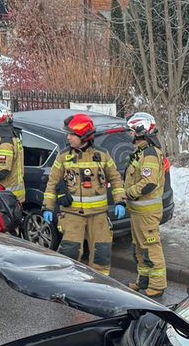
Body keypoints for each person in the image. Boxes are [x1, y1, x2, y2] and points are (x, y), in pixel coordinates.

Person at [47, 113, 123, 275]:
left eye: (72, 134)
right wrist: (47, 207)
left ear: (84, 136)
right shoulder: (63, 156)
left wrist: (120, 201)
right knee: (70, 253)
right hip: (72, 214)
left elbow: (116, 179)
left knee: (102, 254)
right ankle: (70, 284)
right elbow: (52, 182)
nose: (68, 137)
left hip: (99, 215)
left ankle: (99, 284)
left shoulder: (102, 155)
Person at [121, 112, 167, 297]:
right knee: (139, 249)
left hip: (147, 212)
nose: (130, 134)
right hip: (138, 211)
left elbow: (149, 183)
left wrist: (128, 193)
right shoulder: (140, 152)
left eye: (132, 131)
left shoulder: (149, 154)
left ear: (141, 130)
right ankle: (143, 281)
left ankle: (157, 285)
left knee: (150, 248)